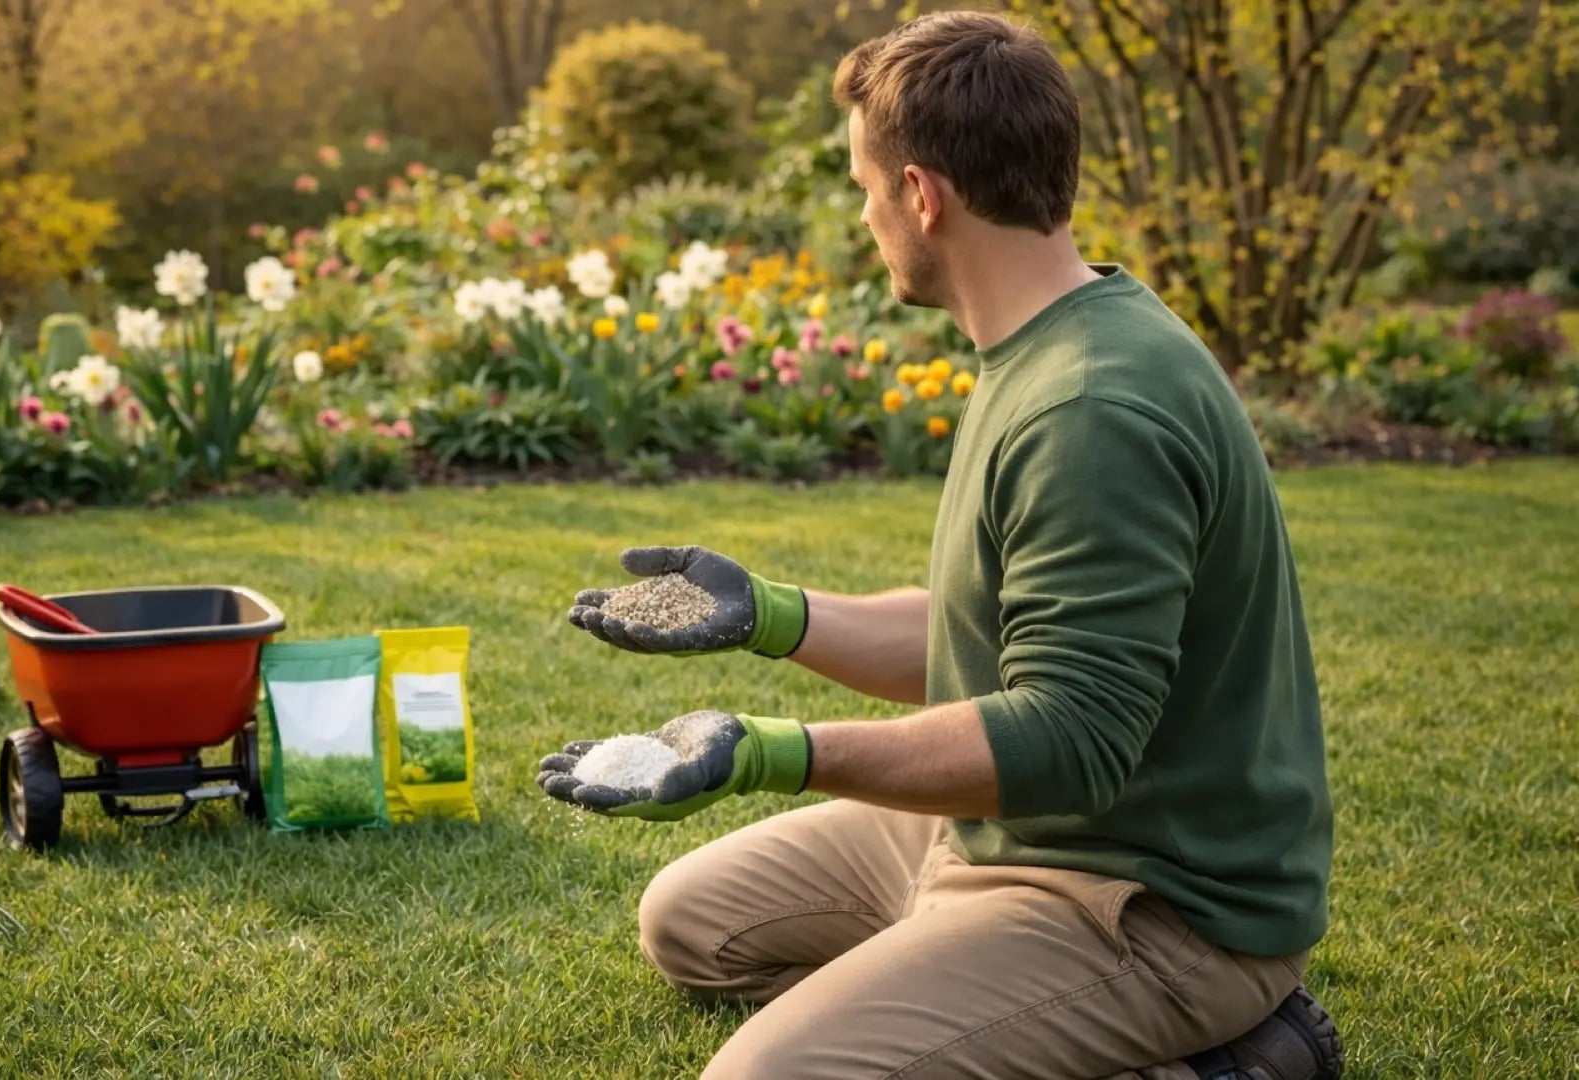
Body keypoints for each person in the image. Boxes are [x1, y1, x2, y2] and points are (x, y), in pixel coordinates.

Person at [535, 11, 1344, 1079]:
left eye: (866, 188)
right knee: (693, 923)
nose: (865, 215)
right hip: (1002, 829)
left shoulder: (1090, 410)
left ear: (922, 194)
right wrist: (768, 614)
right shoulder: (1049, 339)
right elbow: (991, 633)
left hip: (1149, 897)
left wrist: (777, 751)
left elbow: (1072, 738)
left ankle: (1236, 1058)